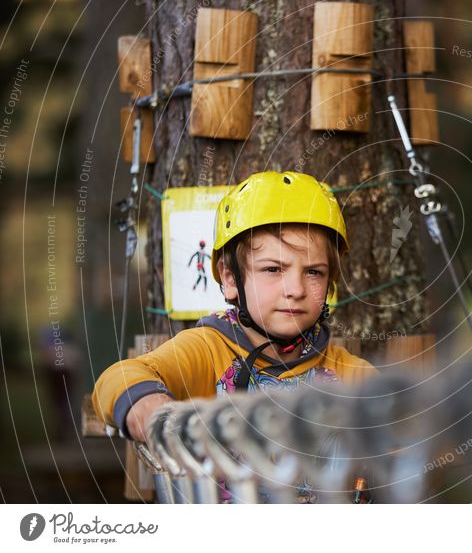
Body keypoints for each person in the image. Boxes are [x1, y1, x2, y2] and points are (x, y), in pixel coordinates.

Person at [92, 171, 378, 443]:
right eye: (273, 269)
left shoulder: (347, 373)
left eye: (314, 272)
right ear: (230, 279)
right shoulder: (207, 350)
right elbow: (119, 377)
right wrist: (150, 407)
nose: (296, 290)